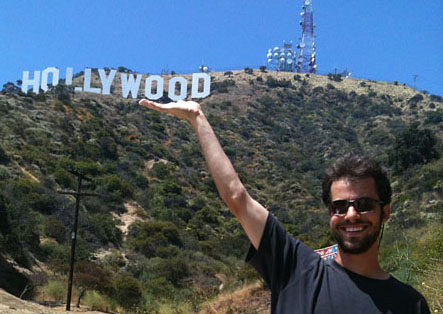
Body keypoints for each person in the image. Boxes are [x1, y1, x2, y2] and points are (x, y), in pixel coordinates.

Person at [139, 99, 430, 314]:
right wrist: (197, 118)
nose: (351, 214)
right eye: (339, 206)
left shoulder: (411, 304)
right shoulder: (296, 268)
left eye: (364, 204)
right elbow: (237, 198)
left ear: (386, 211)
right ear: (330, 214)